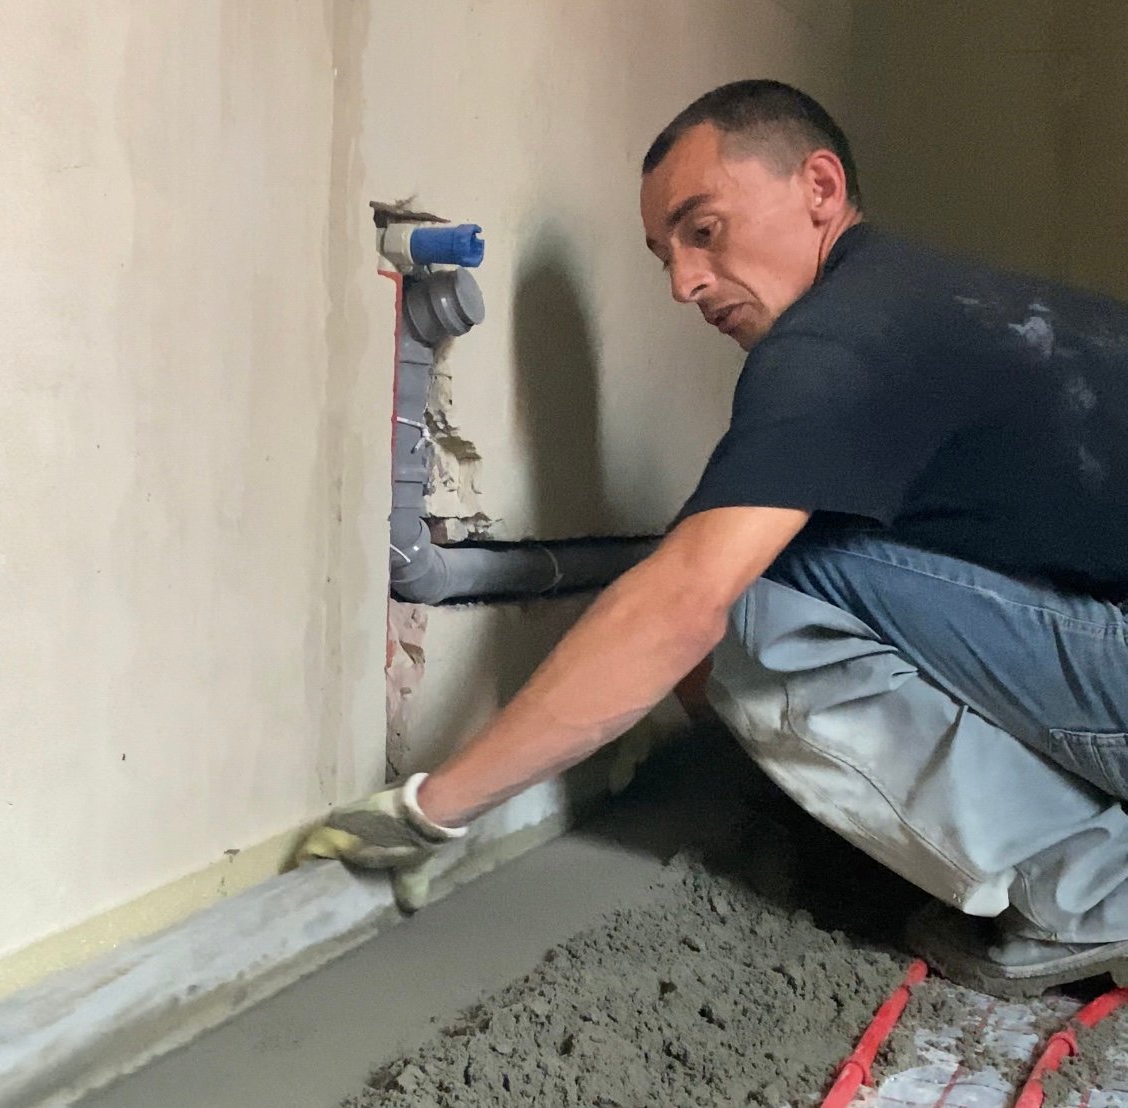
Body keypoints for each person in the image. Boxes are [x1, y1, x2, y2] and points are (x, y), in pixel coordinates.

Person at [303, 79, 1128, 996]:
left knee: (741, 596)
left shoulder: (840, 342)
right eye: (665, 255)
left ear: (820, 188)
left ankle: (1098, 893)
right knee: (774, 563)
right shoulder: (943, 304)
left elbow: (683, 606)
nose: (684, 283)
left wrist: (431, 810)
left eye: (704, 231)